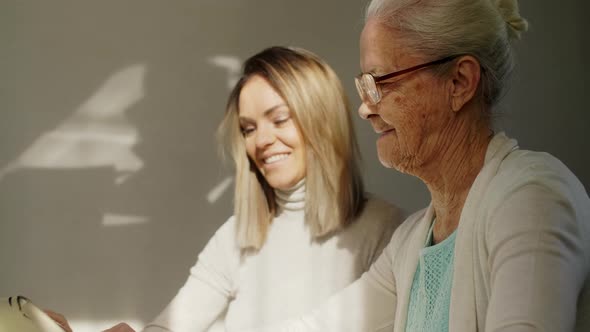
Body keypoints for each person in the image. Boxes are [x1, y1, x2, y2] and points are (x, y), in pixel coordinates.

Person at [236, 1, 590, 331]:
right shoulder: (410, 243)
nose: (366, 108)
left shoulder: (532, 199)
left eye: (382, 82)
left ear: (459, 82)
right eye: (364, 85)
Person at [49, 46, 402, 332]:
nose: (262, 140)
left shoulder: (387, 231)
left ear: (322, 118)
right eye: (248, 128)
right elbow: (172, 327)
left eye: (279, 119)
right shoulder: (236, 236)